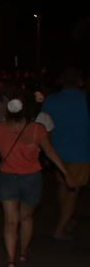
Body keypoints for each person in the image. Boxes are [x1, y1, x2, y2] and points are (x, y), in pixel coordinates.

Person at [0, 98, 71, 267]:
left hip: (7, 177)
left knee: (10, 220)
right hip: (31, 178)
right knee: (26, 217)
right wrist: (66, 173)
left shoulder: (1, 128)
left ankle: (10, 259)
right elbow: (49, 151)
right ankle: (22, 253)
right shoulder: (36, 130)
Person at [41, 68, 90, 240]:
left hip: (56, 152)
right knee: (73, 191)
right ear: (80, 82)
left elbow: (44, 127)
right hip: (81, 152)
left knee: (63, 187)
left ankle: (67, 220)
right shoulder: (85, 100)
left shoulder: (51, 100)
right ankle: (60, 229)